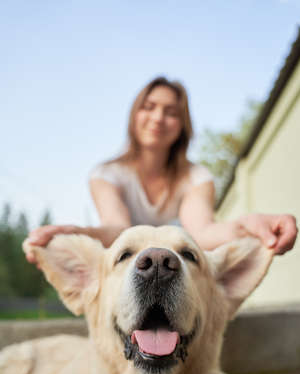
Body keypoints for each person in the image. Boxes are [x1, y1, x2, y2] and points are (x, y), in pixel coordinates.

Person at [24, 77, 297, 264]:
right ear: (135, 115)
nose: (158, 118)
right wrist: (77, 233)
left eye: (171, 112)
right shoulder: (106, 175)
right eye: (149, 107)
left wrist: (247, 227)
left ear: (182, 124)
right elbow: (117, 229)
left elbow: (202, 232)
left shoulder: (197, 178)